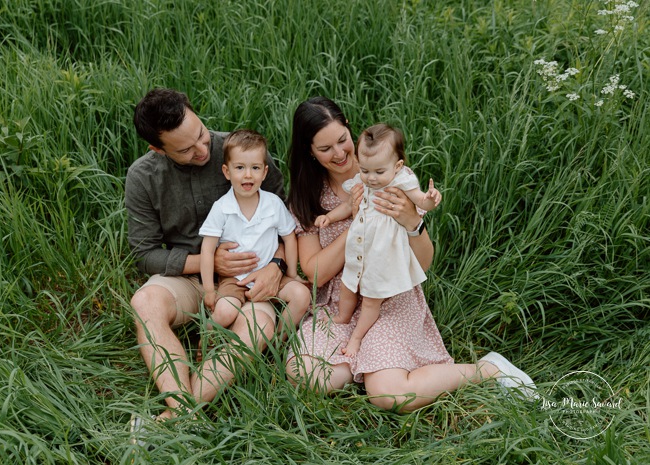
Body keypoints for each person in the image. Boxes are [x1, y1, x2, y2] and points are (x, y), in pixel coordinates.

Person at [285, 96, 537, 412]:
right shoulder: (306, 197)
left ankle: (487, 370)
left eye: (342, 141)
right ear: (310, 151)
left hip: (391, 298)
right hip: (340, 303)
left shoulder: (388, 175)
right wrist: (358, 218)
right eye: (325, 149)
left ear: (350, 129)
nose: (339, 154)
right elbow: (316, 273)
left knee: (389, 396)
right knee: (305, 374)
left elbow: (423, 262)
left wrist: (413, 222)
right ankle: (370, 361)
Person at [125, 88, 295, 423]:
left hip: (251, 275)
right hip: (189, 277)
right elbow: (144, 254)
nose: (202, 150)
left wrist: (277, 264)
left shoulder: (241, 154)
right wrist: (208, 263)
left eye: (202, 135)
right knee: (144, 304)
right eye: (186, 149)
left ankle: (180, 411)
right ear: (157, 149)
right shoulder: (143, 177)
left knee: (258, 327)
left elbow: (287, 220)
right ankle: (183, 407)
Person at [314, 123, 442, 356]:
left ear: (398, 166)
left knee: (371, 301)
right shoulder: (365, 179)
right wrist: (329, 218)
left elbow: (421, 201)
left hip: (381, 259)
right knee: (347, 285)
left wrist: (430, 200)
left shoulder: (401, 182)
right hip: (358, 252)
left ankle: (356, 337)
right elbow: (347, 206)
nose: (371, 178)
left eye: (378, 172)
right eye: (365, 170)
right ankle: (342, 317)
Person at [199, 129, 310, 335]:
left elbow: (289, 237)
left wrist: (292, 274)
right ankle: (207, 339)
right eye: (240, 167)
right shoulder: (222, 208)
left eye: (255, 167)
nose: (248, 174)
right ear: (227, 171)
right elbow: (207, 250)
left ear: (265, 172)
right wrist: (208, 290)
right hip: (236, 279)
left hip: (269, 275)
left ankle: (279, 338)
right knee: (224, 312)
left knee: (302, 296)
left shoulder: (273, 204)